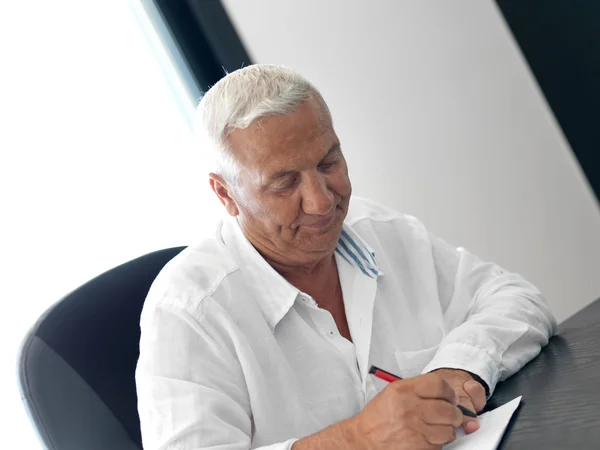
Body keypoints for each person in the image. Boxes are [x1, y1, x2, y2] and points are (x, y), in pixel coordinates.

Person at [135, 64, 557, 450]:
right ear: (225, 193)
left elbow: (516, 298)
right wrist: (359, 438)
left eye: (328, 162)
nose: (321, 203)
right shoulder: (187, 312)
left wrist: (460, 369)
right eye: (284, 184)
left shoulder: (377, 229)